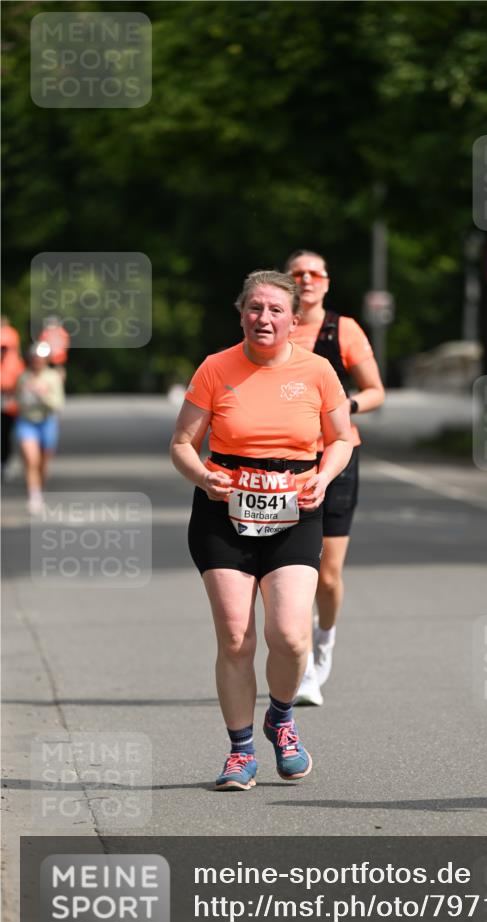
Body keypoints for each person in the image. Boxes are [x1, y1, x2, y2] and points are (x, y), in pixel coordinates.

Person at [170, 270, 352, 791]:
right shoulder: (214, 368)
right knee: (235, 638)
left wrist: (325, 474)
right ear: (241, 312)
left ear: (294, 321)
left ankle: (282, 718)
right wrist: (204, 477)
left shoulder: (317, 371)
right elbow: (182, 443)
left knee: (291, 637)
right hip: (223, 512)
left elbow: (340, 438)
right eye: (254, 308)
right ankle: (241, 751)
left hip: (295, 508)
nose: (264, 318)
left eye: (275, 310)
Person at [284, 250, 385, 706]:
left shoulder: (342, 329)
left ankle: (323, 646)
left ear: (326, 282)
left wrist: (349, 407)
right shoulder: (274, 326)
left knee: (326, 576)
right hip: (282, 462)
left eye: (314, 273)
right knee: (290, 568)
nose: (306, 279)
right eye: (297, 273)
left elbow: (375, 389)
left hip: (336, 458)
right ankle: (299, 664)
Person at [15, 342, 65, 514]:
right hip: (27, 422)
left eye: (40, 358)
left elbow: (58, 405)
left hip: (47, 422)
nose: (37, 361)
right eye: (35, 358)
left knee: (43, 464)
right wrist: (26, 393)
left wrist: (43, 394)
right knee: (31, 460)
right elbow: (18, 402)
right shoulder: (23, 377)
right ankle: (34, 496)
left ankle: (39, 489)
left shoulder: (52, 377)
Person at [1, 318, 25, 480]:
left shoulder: (15, 363)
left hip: (8, 399)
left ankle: (5, 461)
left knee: (6, 432)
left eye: (4, 349)